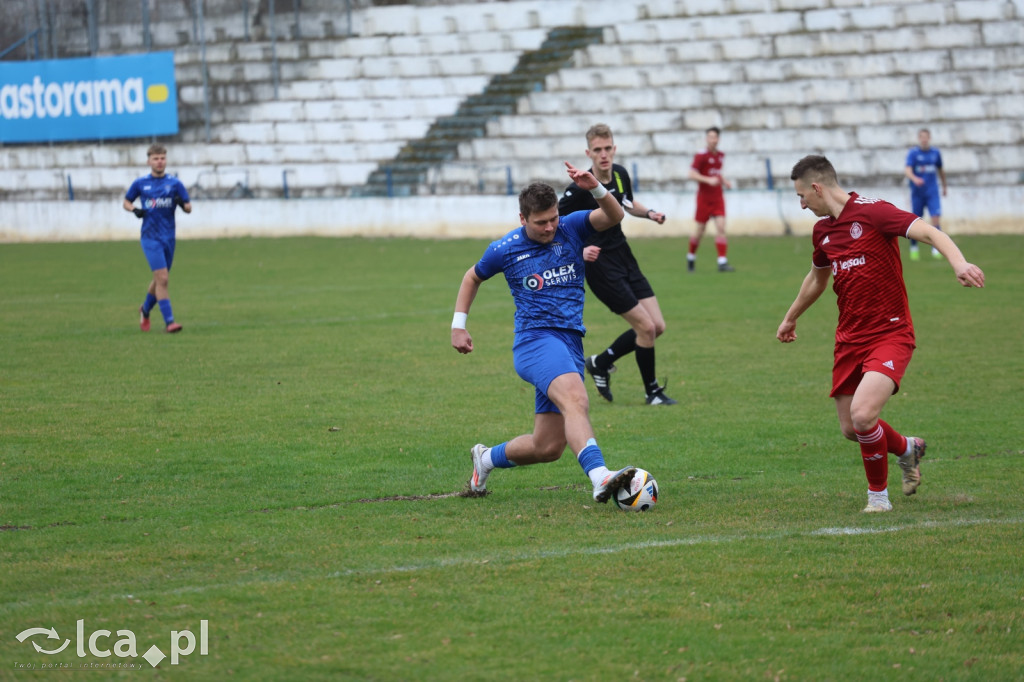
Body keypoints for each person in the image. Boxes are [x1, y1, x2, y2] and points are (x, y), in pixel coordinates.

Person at [777, 155, 984, 513]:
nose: (801, 204)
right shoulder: (823, 230)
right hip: (849, 337)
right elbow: (817, 279)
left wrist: (959, 262)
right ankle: (907, 447)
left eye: (801, 196)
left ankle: (878, 498)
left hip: (890, 332)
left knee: (863, 415)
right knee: (850, 427)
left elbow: (929, 232)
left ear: (816, 187)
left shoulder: (874, 212)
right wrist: (790, 318)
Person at [451, 163, 637, 503]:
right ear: (523, 219)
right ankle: (600, 476)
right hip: (535, 341)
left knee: (548, 446)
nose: (550, 227)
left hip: (569, 343)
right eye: (541, 222)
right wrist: (458, 326)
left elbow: (613, 216)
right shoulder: (505, 248)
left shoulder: (571, 227)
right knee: (576, 399)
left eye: (553, 218)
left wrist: (595, 186)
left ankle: (486, 457)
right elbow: (471, 277)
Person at [557, 123, 677, 406]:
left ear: (614, 148)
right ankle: (652, 392)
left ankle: (600, 362)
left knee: (657, 325)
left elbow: (626, 202)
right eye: (597, 150)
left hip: (623, 254)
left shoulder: (620, 174)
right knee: (646, 329)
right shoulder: (578, 190)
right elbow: (557, 228)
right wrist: (581, 249)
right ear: (588, 152)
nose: (603, 154)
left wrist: (650, 213)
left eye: (607, 148)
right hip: (600, 265)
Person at [123, 143, 191, 333]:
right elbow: (126, 201)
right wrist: (135, 210)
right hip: (150, 237)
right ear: (149, 161)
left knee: (160, 279)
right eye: (155, 158)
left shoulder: (175, 184)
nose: (159, 162)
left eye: (162, 158)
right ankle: (170, 322)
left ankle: (145, 310)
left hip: (169, 237)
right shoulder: (140, 183)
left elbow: (189, 207)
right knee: (162, 278)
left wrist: (181, 204)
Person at [686, 126, 734, 272]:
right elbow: (691, 174)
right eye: (710, 137)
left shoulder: (720, 155)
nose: (713, 140)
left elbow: (717, 173)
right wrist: (708, 180)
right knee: (700, 230)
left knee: (721, 227)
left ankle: (722, 262)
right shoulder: (701, 156)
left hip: (718, 196)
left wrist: (724, 181)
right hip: (704, 198)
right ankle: (691, 256)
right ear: (707, 139)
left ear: (718, 139)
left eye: (715, 137)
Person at [904, 128, 948, 260]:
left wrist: (944, 185)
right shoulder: (913, 154)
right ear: (919, 138)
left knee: (935, 218)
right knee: (915, 221)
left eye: (926, 137)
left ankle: (936, 248)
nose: (924, 139)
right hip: (918, 193)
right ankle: (914, 248)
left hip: (932, 192)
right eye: (921, 137)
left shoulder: (935, 153)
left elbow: (940, 170)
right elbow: (907, 170)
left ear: (929, 138)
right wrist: (915, 179)